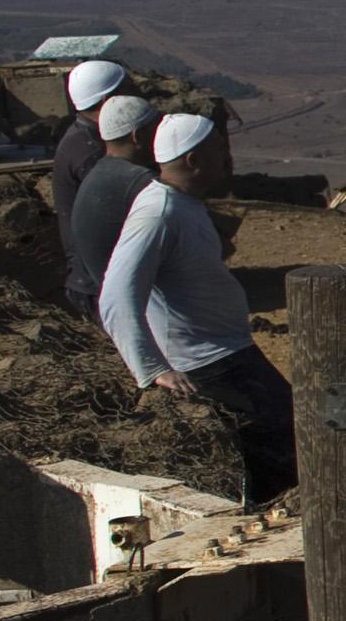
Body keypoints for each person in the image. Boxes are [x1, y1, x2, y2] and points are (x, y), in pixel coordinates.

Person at [97, 110, 297, 504]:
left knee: (281, 430)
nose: (227, 156)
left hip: (226, 349)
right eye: (219, 148)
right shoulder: (159, 213)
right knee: (273, 440)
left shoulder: (180, 203)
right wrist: (152, 368)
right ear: (193, 159)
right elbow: (116, 295)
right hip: (206, 361)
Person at [62, 93, 155, 319]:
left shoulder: (102, 167)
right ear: (138, 136)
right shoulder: (135, 182)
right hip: (108, 292)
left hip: (95, 284)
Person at [48, 57, 128, 262]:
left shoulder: (84, 138)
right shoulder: (89, 152)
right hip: (99, 274)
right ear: (107, 102)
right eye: (128, 94)